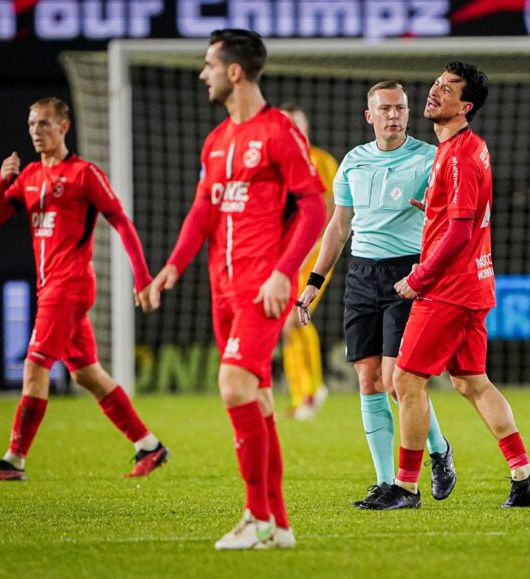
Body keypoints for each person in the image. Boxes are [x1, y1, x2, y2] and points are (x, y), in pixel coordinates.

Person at [139, 29, 326, 549]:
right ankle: (279, 526)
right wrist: (173, 266)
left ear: (235, 71)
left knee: (233, 386)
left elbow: (314, 207)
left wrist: (284, 272)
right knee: (260, 397)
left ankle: (255, 515)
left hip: (262, 286)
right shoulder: (217, 139)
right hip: (221, 288)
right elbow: (204, 209)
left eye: (209, 64)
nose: (204, 74)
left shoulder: (279, 131)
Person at [363, 63, 530, 510]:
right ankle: (524, 474)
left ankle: (405, 488)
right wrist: (435, 209)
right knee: (471, 382)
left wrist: (418, 278)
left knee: (404, 380)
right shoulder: (465, 149)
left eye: (447, 90)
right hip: (475, 283)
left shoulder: (460, 154)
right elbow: (463, 215)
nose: (435, 92)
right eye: (437, 84)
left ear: (465, 107)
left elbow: (461, 232)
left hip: (450, 288)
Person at [0, 97, 168, 482]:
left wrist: (142, 276)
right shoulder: (27, 176)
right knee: (86, 374)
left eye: (44, 124)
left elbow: (122, 223)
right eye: (31, 124)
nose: (36, 131)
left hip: (71, 285)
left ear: (64, 127)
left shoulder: (83, 174)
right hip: (50, 288)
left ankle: (14, 460)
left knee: (35, 366)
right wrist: (1, 180)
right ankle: (149, 445)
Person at [296, 81, 457, 508]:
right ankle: (389, 480)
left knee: (395, 380)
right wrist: (314, 280)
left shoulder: (430, 159)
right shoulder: (353, 162)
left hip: (407, 273)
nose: (393, 115)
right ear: (369, 116)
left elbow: (453, 220)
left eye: (400, 108)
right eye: (384, 108)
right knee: (368, 380)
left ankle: (433, 457)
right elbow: (338, 226)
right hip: (361, 276)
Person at [279, 103, 337, 421]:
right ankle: (302, 394)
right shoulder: (276, 163)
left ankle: (313, 390)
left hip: (313, 253)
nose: (294, 129)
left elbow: (330, 211)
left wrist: (311, 251)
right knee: (284, 322)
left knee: (295, 315)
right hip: (285, 255)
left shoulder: (321, 160)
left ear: (307, 126)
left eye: (297, 123)